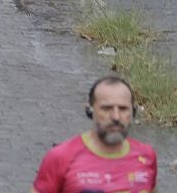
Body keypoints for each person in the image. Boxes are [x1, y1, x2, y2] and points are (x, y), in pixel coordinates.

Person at [30, 77, 158, 193]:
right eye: (106, 108)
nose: (116, 117)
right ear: (90, 110)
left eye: (123, 109)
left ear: (133, 112)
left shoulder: (146, 156)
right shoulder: (61, 157)